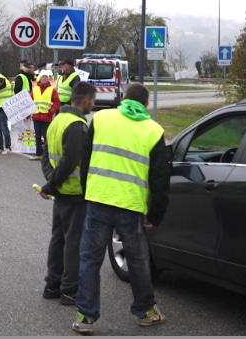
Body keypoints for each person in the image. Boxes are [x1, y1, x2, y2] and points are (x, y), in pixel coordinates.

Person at [72, 83, 170, 334]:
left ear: (123, 98)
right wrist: (156, 213)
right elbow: (160, 179)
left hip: (99, 198)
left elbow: (85, 158)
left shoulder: (101, 118)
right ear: (146, 105)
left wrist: (87, 191)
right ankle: (146, 311)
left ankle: (85, 317)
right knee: (137, 260)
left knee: (90, 259)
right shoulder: (154, 130)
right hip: (131, 206)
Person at [39, 81, 97, 306]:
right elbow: (69, 162)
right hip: (74, 193)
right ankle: (69, 290)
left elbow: (46, 154)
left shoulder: (58, 120)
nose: (93, 105)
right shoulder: (77, 125)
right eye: (92, 101)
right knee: (73, 243)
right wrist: (51, 185)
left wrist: (49, 182)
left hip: (60, 192)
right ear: (85, 101)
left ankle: (52, 285)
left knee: (58, 240)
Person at [29, 71, 61, 161]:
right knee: (37, 136)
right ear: (40, 78)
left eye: (46, 77)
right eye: (43, 77)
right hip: (36, 116)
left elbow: (57, 102)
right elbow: (29, 102)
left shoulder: (52, 90)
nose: (44, 78)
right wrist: (27, 113)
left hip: (46, 117)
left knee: (46, 137)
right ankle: (38, 154)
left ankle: (47, 155)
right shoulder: (35, 89)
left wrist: (51, 112)